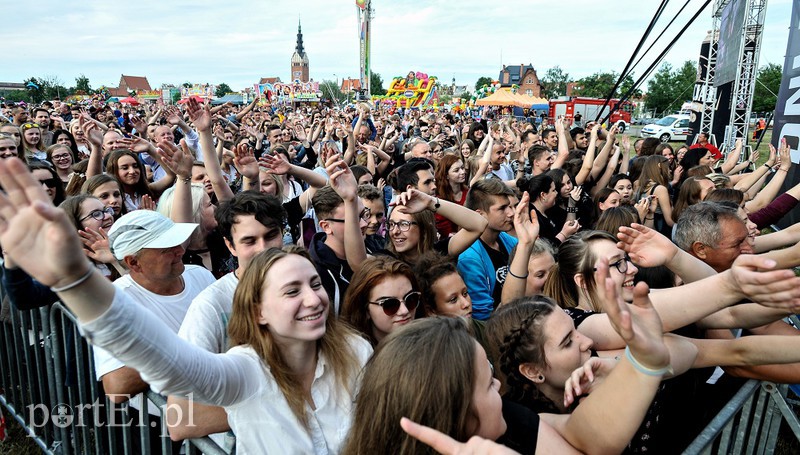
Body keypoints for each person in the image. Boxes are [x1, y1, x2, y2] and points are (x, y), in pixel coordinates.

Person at [342, 263, 672, 454]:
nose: (500, 385)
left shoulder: (510, 420)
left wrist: (642, 363)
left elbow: (588, 436)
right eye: (487, 384)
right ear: (453, 412)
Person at [341, 256, 420, 346]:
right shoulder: (355, 355)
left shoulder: (431, 345)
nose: (404, 311)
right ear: (365, 309)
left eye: (411, 299)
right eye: (390, 304)